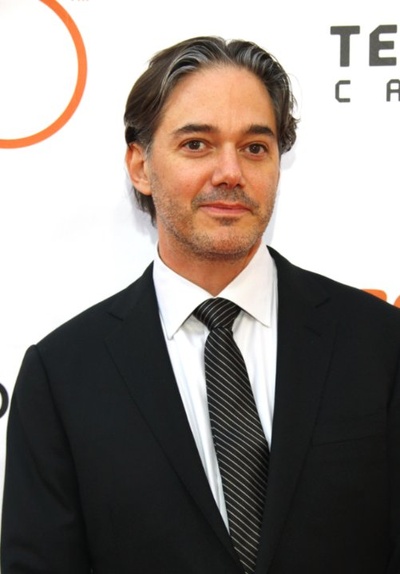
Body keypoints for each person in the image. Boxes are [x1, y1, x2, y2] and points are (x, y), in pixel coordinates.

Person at [1, 36, 399, 574]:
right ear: (140, 166)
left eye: (254, 147)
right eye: (197, 144)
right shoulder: (61, 376)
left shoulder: (380, 344)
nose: (230, 172)